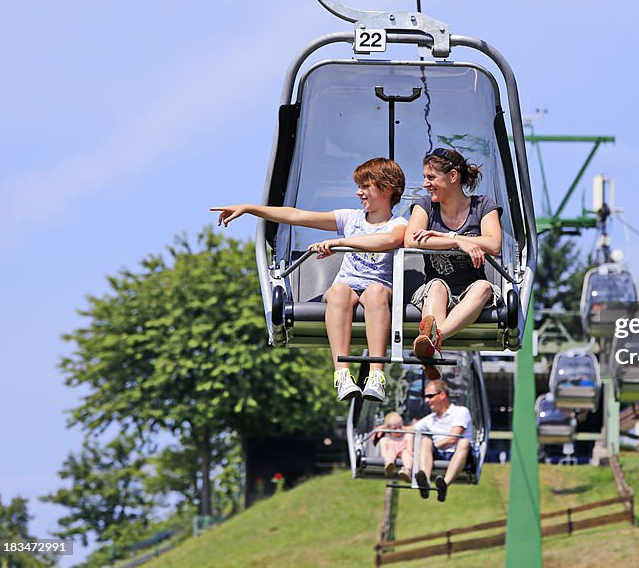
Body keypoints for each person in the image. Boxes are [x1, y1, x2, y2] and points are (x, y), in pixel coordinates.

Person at [211, 157, 407, 402]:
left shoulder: (398, 224)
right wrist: (250, 209)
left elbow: (387, 241)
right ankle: (342, 374)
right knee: (338, 292)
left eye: (365, 186)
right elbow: (297, 215)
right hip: (348, 285)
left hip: (377, 288)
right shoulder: (350, 218)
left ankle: (376, 374)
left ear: (387, 188)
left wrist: (339, 242)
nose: (359, 192)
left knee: (376, 293)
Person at [405, 148, 502, 379]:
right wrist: (462, 243)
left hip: (472, 289)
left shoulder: (482, 206)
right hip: (437, 289)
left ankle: (433, 338)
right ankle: (433, 342)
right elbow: (410, 240)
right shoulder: (426, 206)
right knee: (437, 285)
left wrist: (446, 238)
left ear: (452, 176)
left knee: (484, 287)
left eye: (431, 177)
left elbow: (494, 244)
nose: (425, 184)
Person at [412, 379, 471, 502]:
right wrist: (386, 426)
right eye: (426, 397)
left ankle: (444, 484)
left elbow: (453, 438)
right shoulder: (430, 419)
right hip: (438, 453)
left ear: (442, 395)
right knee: (425, 441)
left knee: (464, 442)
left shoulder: (461, 412)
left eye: (430, 396)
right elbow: (409, 428)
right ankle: (425, 482)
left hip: (458, 453)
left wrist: (436, 445)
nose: (427, 400)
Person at [374, 411, 413, 482]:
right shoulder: (385, 440)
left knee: (406, 453)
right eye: (395, 428)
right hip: (391, 456)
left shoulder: (407, 436)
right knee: (390, 450)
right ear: (388, 429)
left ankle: (407, 471)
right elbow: (384, 454)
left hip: (404, 455)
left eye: (400, 427)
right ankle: (389, 466)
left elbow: (410, 450)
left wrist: (405, 452)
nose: (398, 430)